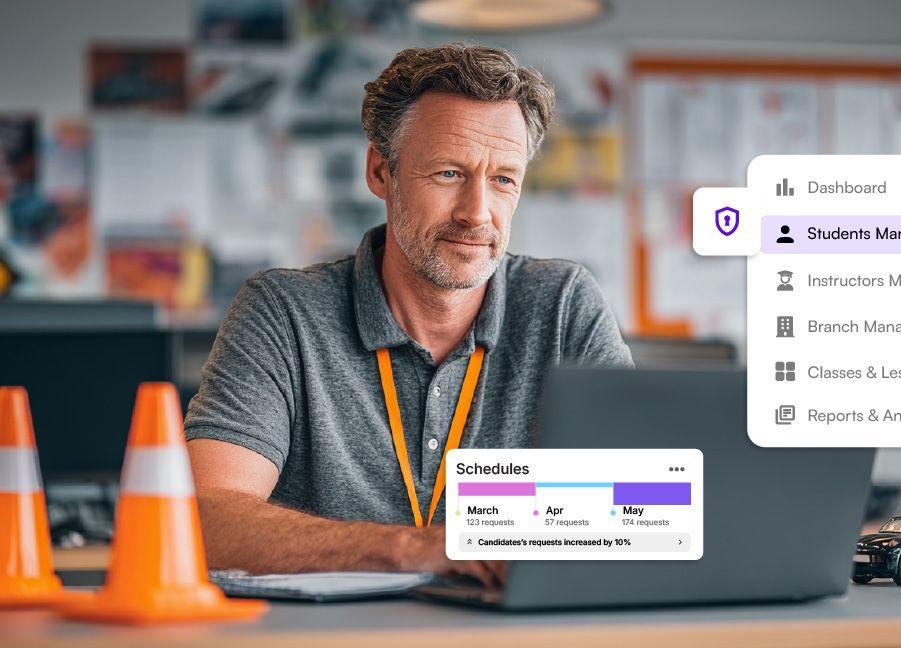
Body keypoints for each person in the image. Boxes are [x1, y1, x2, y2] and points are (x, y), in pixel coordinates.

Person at [184, 44, 633, 587]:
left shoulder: (563, 304)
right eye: (448, 173)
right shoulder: (283, 313)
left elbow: (638, 506)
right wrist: (414, 548)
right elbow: (199, 519)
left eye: (503, 180)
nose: (476, 213)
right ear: (381, 171)